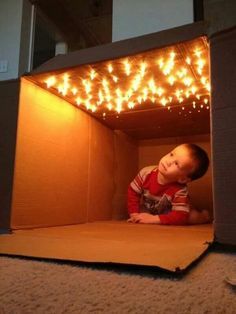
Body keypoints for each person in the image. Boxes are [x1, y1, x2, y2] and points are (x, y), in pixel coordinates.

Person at [127, 143, 211, 225]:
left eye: (176, 164)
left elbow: (180, 216)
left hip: (171, 213)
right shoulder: (146, 173)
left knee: (190, 217)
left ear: (182, 179)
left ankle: (204, 216)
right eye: (171, 154)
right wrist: (134, 214)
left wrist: (153, 219)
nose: (169, 161)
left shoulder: (180, 190)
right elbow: (133, 192)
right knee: (140, 211)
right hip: (150, 209)